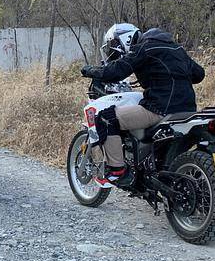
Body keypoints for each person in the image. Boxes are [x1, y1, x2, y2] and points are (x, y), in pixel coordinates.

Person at [80, 23, 206, 187]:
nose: (114, 49)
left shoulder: (143, 48)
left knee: (106, 117)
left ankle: (117, 170)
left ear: (125, 39)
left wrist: (90, 70)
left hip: (159, 108)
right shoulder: (176, 49)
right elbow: (199, 74)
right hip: (187, 109)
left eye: (115, 45)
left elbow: (115, 72)